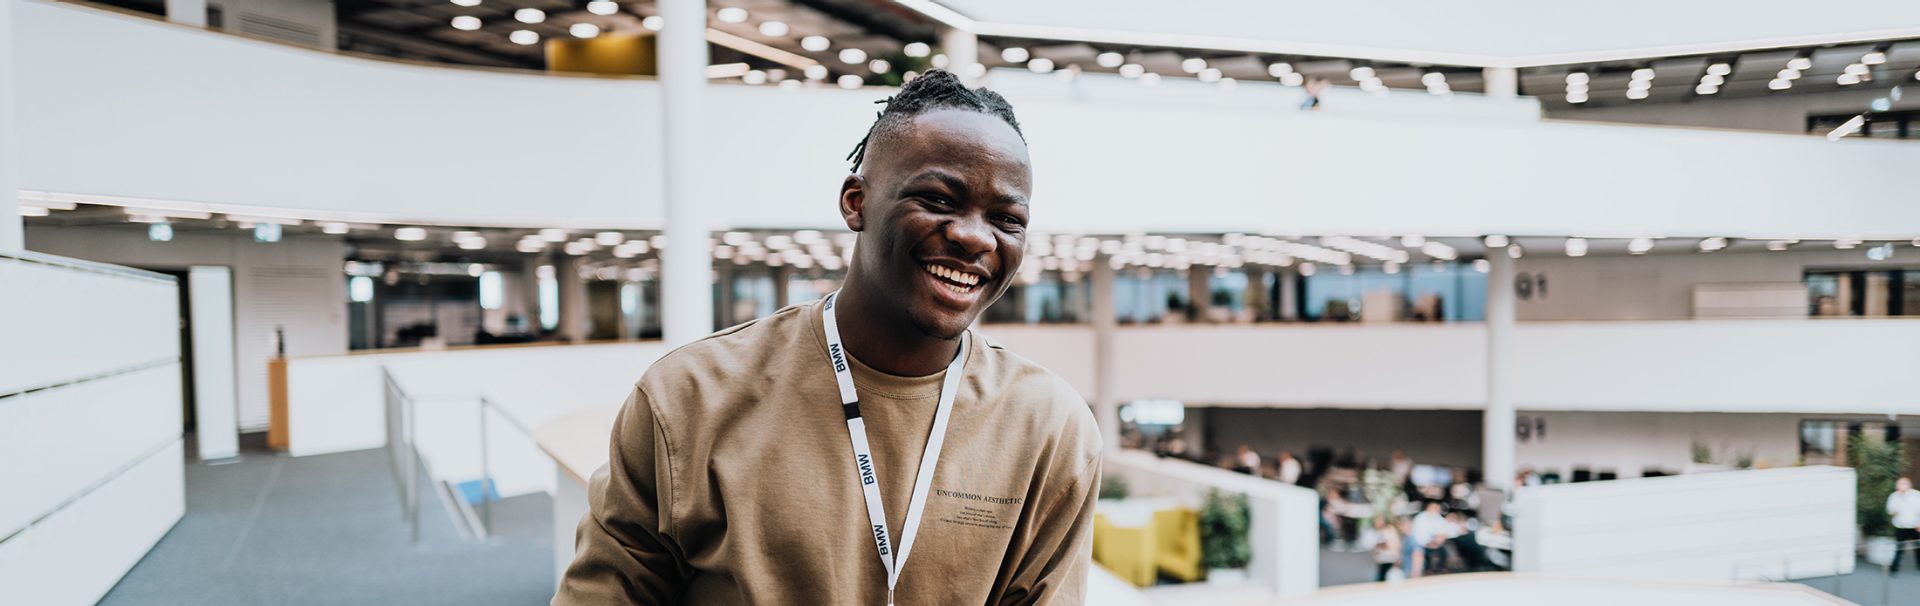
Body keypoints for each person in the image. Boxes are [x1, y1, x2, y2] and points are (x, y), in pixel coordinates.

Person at [553, 69, 1103, 605]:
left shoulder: (1049, 428)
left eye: (1006, 218)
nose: (971, 236)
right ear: (855, 202)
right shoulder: (688, 398)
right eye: (938, 200)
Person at [1410, 501, 1450, 575]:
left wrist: (1437, 540)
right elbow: (1418, 536)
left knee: (1444, 552)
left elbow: (1443, 531)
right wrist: (1428, 542)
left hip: (1435, 544)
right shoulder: (1421, 518)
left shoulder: (1438, 518)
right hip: (1422, 545)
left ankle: (1440, 570)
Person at [1890, 477, 1920, 572]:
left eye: (1903, 484)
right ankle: (1894, 569)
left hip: (1914, 527)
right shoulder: (1894, 496)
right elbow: (1891, 512)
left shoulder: (1916, 495)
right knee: (1899, 549)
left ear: (1909, 485)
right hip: (1900, 527)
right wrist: (1899, 500)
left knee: (1918, 548)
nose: (1901, 486)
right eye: (1899, 484)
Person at [1371, 516, 1402, 581]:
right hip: (1382, 559)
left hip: (1389, 559)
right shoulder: (1379, 531)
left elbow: (1393, 545)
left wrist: (1397, 558)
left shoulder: (1389, 530)